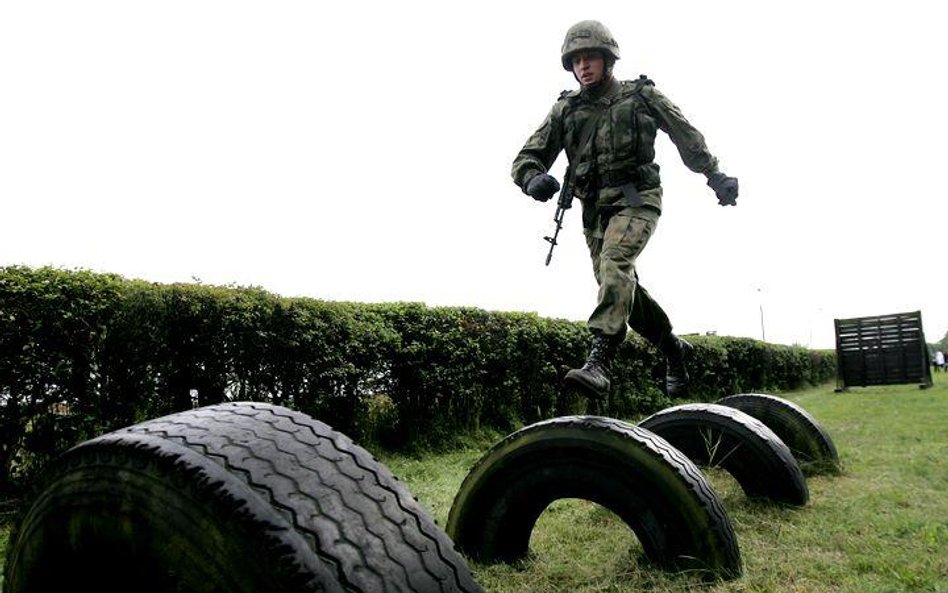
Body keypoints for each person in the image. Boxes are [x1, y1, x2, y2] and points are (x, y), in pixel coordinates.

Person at [511, 20, 739, 401]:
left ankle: (600, 360)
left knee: (616, 265)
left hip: (637, 199)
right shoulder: (565, 111)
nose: (584, 66)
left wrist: (714, 175)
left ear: (608, 59)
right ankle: (672, 347)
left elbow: (687, 136)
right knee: (622, 288)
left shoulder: (641, 97)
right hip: (595, 212)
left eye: (591, 58)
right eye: (577, 60)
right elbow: (527, 157)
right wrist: (532, 178)